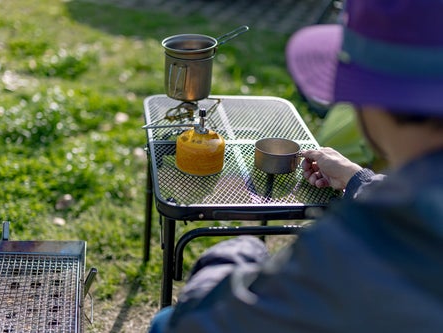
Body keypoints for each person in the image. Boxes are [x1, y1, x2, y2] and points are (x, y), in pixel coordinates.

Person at [149, 0, 443, 331]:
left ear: (369, 99)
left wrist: (229, 256)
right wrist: (357, 178)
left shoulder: (360, 244)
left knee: (162, 322)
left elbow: (199, 325)